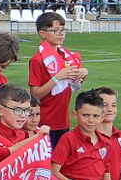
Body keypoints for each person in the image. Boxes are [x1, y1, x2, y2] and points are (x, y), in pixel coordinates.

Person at [28, 11, 85, 145]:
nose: (61, 33)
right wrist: (57, 78)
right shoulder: (37, 59)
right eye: (56, 30)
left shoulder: (66, 56)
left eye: (63, 29)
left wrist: (83, 73)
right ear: (43, 33)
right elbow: (35, 94)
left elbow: (73, 84)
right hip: (46, 121)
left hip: (64, 120)